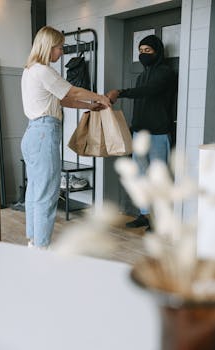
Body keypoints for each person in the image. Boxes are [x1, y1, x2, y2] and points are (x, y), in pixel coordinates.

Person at [21, 26, 111, 249]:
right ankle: (42, 247)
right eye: (59, 47)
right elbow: (73, 92)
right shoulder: (43, 70)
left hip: (32, 134)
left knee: (34, 190)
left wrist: (92, 106)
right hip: (44, 134)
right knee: (47, 194)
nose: (61, 52)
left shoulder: (30, 70)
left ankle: (33, 241)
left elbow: (64, 100)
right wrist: (100, 96)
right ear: (48, 46)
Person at [107, 34, 176, 229]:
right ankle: (144, 215)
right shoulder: (140, 76)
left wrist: (120, 92)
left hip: (158, 134)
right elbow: (140, 104)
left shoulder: (166, 73)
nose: (143, 54)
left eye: (148, 51)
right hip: (140, 134)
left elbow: (149, 91)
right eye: (140, 51)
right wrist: (132, 128)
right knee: (139, 177)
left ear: (157, 52)